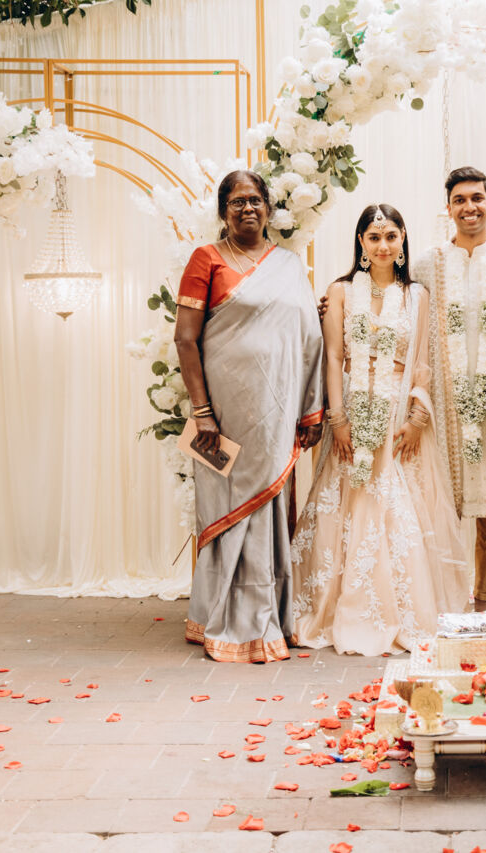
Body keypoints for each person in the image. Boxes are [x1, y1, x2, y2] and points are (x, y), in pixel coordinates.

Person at [291, 204, 470, 656]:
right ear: (361, 243)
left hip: (397, 415)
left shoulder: (417, 296)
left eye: (391, 236)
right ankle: (336, 606)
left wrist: (417, 418)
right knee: (348, 501)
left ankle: (398, 609)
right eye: (374, 237)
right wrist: (338, 419)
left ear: (403, 239)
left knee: (396, 507)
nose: (383, 245)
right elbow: (334, 357)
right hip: (352, 409)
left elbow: (423, 361)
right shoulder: (340, 291)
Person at [174, 169, 325, 663]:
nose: (247, 209)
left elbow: (307, 336)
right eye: (237, 201)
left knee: (268, 505)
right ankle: (223, 615)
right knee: (226, 504)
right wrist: (202, 414)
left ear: (268, 208)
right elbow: (185, 339)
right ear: (224, 211)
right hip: (223, 413)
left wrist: (312, 406)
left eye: (255, 200)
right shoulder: (206, 259)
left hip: (276, 412)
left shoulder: (288, 264)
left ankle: (267, 615)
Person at [412, 167, 486, 612]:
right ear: (448, 209)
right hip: (442, 405)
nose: (469, 207)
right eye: (460, 200)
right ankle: (442, 600)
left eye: (477, 198)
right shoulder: (427, 264)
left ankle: (484, 604)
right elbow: (391, 297)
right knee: (438, 505)